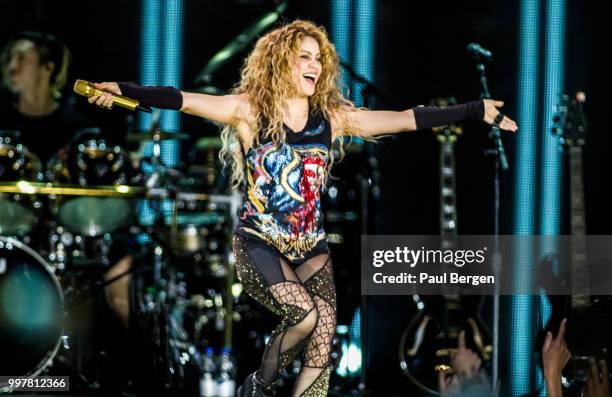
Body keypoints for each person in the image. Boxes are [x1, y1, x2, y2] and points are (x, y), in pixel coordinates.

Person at [88, 19, 517, 397]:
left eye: (317, 58)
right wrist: (122, 91)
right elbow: (179, 98)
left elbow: (407, 118)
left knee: (322, 343)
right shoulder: (248, 111)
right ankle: (257, 387)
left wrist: (476, 110)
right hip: (260, 242)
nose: (313, 65)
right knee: (305, 316)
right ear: (279, 63)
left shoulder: (332, 118)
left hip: (310, 246)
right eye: (303, 57)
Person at [0, 31, 92, 165]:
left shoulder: (78, 131)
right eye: (10, 59)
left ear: (48, 68)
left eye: (21, 58)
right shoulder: (2, 123)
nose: (11, 67)